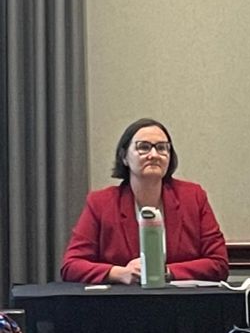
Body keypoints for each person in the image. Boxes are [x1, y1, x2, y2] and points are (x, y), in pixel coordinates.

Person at [61, 118, 229, 284]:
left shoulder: (193, 197)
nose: (154, 155)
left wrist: (165, 272)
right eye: (144, 147)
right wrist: (119, 273)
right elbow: (71, 265)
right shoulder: (101, 203)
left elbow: (218, 263)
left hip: (180, 302)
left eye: (162, 148)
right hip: (122, 304)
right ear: (124, 157)